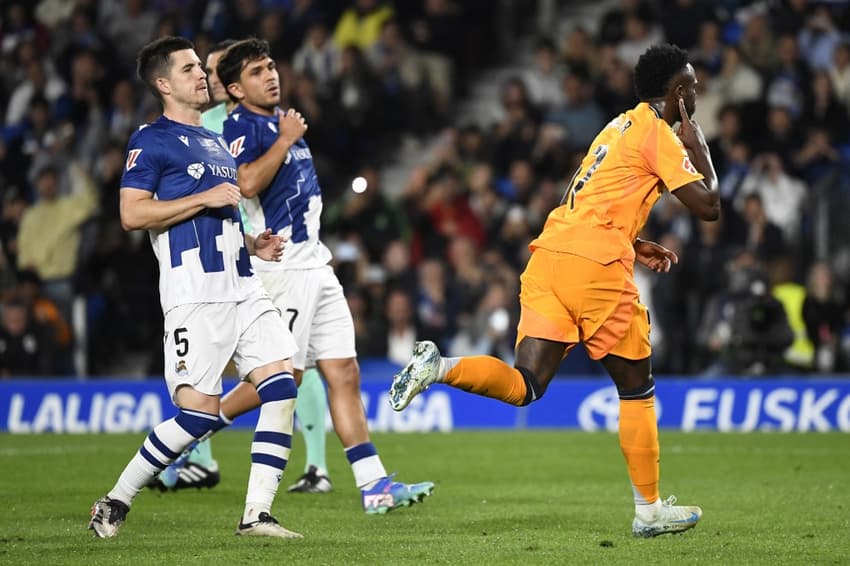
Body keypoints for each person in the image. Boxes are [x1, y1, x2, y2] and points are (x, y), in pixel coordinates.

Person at [391, 44, 720, 537]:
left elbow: (587, 198)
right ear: (678, 91)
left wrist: (636, 240)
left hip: (549, 258)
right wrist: (700, 149)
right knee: (637, 389)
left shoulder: (617, 126)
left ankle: (438, 367)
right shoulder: (660, 133)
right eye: (692, 87)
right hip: (595, 270)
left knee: (528, 384)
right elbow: (709, 205)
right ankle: (650, 511)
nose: (696, 94)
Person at [88, 36, 302, 540]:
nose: (200, 76)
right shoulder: (150, 140)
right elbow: (131, 214)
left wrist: (251, 243)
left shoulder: (212, 141)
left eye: (198, 69)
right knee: (199, 415)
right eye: (188, 70)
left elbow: (216, 214)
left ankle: (256, 515)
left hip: (243, 287)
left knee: (282, 382)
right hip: (195, 295)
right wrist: (206, 196)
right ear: (164, 84)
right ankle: (117, 499)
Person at [210, 37, 433, 514]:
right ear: (234, 87)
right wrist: (287, 138)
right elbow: (244, 183)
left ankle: (374, 489)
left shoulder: (279, 120)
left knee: (344, 372)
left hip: (317, 263)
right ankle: (197, 426)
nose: (270, 75)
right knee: (282, 377)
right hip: (285, 267)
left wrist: (287, 133)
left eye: (271, 66)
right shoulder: (243, 125)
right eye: (256, 71)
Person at [157, 39, 334, 495]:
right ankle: (197, 453)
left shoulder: (242, 121)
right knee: (266, 366)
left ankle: (308, 468)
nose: (207, 78)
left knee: (291, 364)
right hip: (227, 258)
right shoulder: (206, 124)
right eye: (202, 71)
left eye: (211, 70)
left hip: (259, 253)